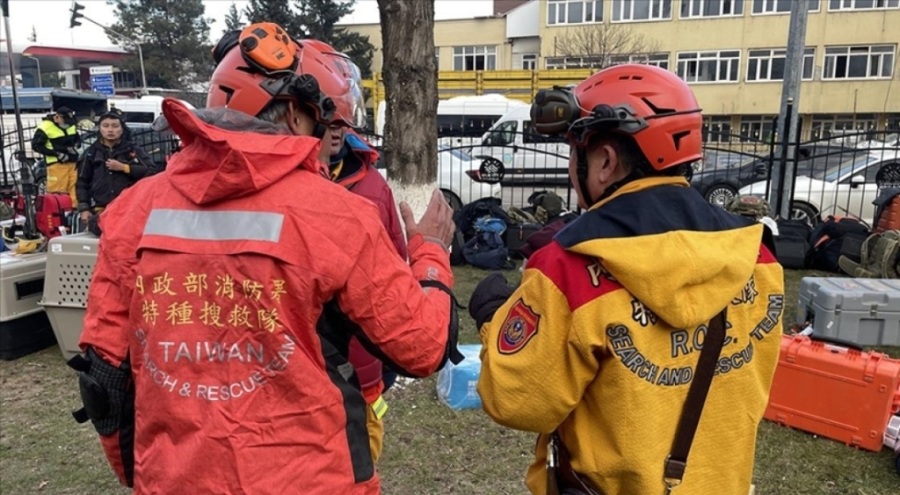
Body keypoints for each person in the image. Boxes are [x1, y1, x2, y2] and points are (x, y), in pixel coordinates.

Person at [71, 22, 460, 494]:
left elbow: (105, 382)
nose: (328, 140)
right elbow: (421, 347)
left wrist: (153, 475)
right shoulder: (337, 214)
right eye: (328, 124)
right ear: (297, 115)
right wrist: (431, 252)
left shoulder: (134, 209)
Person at [469, 64, 784, 495]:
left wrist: (492, 320)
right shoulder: (757, 255)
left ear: (604, 162)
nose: (570, 170)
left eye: (574, 154)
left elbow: (517, 403)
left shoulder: (568, 269)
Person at [312, 43, 407, 463]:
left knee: (361, 461)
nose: (336, 128)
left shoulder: (372, 185)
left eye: (342, 119)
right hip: (296, 372)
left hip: (362, 363)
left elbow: (395, 270)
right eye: (325, 117)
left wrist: (385, 357)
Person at [75, 109, 159, 230]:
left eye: (115, 126)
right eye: (106, 126)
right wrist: (84, 209)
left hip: (130, 209)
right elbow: (82, 182)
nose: (110, 130)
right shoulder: (91, 153)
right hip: (101, 209)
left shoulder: (132, 150)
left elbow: (152, 171)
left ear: (122, 129)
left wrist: (125, 168)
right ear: (100, 128)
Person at [31, 106, 81, 203]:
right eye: (65, 120)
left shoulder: (71, 124)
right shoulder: (45, 127)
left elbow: (76, 138)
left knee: (75, 189)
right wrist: (56, 154)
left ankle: (74, 212)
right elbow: (36, 146)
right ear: (57, 117)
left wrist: (76, 145)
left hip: (73, 162)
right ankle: (60, 212)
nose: (67, 124)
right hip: (56, 164)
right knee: (58, 191)